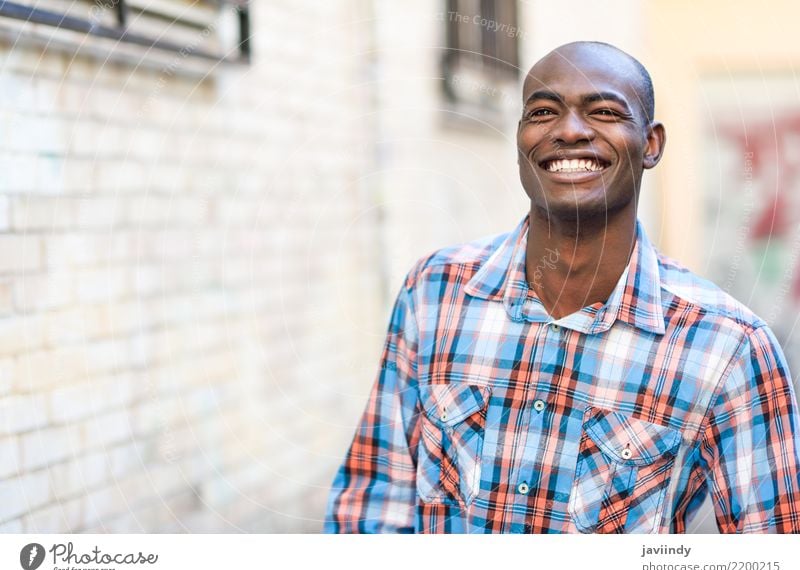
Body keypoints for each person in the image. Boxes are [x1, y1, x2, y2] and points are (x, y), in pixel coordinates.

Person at [323, 41, 800, 533]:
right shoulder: (434, 293)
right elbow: (375, 501)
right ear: (521, 139)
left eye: (605, 111)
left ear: (651, 144)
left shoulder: (729, 346)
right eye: (545, 111)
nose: (569, 131)